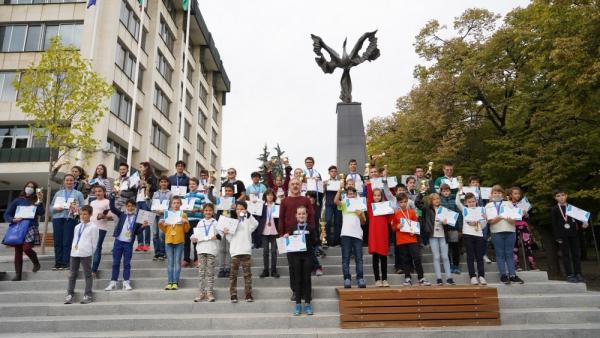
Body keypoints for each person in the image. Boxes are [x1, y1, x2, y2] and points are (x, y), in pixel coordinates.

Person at [278, 178, 315, 302]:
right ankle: (295, 291)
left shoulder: (305, 200)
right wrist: (282, 234)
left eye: (297, 184)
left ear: (301, 186)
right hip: (290, 239)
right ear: (289, 186)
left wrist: (311, 231)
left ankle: (306, 291)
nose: (295, 186)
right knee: (293, 267)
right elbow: (281, 219)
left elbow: (311, 217)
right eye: (293, 184)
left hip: (305, 237)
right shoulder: (284, 201)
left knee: (306, 268)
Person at [104, 196, 150, 291]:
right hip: (118, 242)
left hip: (128, 243)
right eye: (128, 206)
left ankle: (126, 282)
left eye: (132, 206)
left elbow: (137, 232)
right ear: (126, 207)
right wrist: (112, 198)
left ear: (135, 207)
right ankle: (113, 282)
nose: (130, 208)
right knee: (116, 262)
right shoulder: (122, 215)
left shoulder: (138, 218)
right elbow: (112, 208)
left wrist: (144, 226)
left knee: (127, 263)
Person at [3, 181, 45, 281]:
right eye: (28, 186)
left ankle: (36, 262)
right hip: (18, 227)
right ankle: (18, 275)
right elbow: (7, 214)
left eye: (32, 187)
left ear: (35, 190)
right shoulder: (17, 200)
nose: (29, 188)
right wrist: (13, 219)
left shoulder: (36, 200)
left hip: (31, 227)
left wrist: (39, 201)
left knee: (26, 248)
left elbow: (41, 213)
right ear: (25, 187)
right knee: (18, 251)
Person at [486, 185, 524, 285]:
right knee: (500, 254)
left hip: (510, 230)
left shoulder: (509, 203)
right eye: (495, 192)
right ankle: (503, 275)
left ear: (503, 194)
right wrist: (499, 217)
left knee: (509, 254)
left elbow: (515, 217)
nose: (497, 194)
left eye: (499, 192)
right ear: (491, 194)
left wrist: (512, 219)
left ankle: (513, 275)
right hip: (496, 232)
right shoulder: (488, 206)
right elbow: (490, 221)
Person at [416, 190, 455, 285]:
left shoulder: (444, 209)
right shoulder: (427, 209)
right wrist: (422, 193)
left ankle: (449, 278)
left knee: (445, 257)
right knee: (436, 257)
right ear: (431, 201)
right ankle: (439, 278)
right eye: (434, 199)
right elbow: (417, 203)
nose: (437, 200)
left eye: (438, 198)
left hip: (443, 236)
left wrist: (446, 223)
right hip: (433, 236)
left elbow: (451, 223)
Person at [282, 205, 315, 316]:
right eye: (299, 214)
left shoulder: (311, 228)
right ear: (296, 216)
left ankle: (307, 304)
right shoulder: (292, 228)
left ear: (307, 215)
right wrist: (286, 237)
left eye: (303, 213)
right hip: (296, 257)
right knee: (298, 279)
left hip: (307, 257)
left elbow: (314, 243)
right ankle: (297, 305)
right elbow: (288, 242)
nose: (301, 215)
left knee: (307, 279)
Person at [392, 192, 431, 286]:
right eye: (401, 202)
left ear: (408, 202)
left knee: (417, 258)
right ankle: (407, 278)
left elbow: (417, 225)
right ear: (398, 203)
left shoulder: (412, 212)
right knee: (405, 259)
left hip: (412, 239)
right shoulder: (396, 214)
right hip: (401, 240)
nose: (403, 204)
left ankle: (421, 278)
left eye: (405, 202)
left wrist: (415, 230)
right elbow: (393, 227)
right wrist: (397, 226)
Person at [225, 201, 259, 303]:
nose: (239, 211)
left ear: (245, 210)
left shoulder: (248, 221)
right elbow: (230, 239)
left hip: (246, 251)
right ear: (235, 211)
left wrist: (247, 214)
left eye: (242, 209)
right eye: (238, 209)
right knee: (233, 275)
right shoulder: (232, 222)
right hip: (235, 251)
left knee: (247, 274)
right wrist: (226, 233)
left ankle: (248, 294)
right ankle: (233, 294)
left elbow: (256, 224)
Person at [64, 205, 98, 304]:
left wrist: (90, 253)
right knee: (72, 274)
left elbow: (94, 243)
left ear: (90, 215)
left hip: (86, 253)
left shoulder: (93, 227)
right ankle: (70, 294)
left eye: (85, 214)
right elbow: (75, 239)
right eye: (81, 214)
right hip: (75, 253)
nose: (83, 216)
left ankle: (88, 295)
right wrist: (72, 250)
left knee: (87, 274)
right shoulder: (77, 226)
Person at [50, 174, 85, 270]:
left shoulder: (78, 194)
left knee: (67, 241)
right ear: (64, 182)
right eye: (67, 180)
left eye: (71, 180)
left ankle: (66, 263)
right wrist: (56, 209)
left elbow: (83, 208)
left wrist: (76, 208)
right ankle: (58, 263)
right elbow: (51, 207)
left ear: (74, 182)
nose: (69, 182)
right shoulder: (58, 193)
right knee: (57, 241)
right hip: (57, 219)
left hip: (70, 219)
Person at [552, 189, 587, 283]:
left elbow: (580, 220)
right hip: (562, 236)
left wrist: (584, 224)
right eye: (558, 196)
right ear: (555, 198)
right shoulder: (555, 209)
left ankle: (578, 274)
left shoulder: (572, 208)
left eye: (562, 195)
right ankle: (569, 274)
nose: (561, 197)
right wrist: (557, 237)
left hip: (574, 234)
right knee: (566, 255)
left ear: (566, 196)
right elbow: (554, 224)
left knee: (576, 254)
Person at [334, 187, 367, 288]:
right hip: (346, 234)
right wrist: (339, 191)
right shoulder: (344, 204)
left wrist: (360, 215)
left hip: (358, 235)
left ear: (356, 195)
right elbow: (335, 201)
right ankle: (347, 278)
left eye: (353, 194)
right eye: (349, 194)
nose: (351, 195)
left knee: (359, 258)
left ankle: (360, 278)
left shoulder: (360, 206)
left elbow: (363, 222)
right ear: (346, 195)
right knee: (345, 258)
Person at [158, 196, 190, 290]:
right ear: (171, 204)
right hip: (169, 241)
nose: (176, 205)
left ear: (181, 204)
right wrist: (161, 224)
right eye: (174, 203)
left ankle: (175, 282)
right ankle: (169, 282)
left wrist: (186, 222)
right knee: (170, 262)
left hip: (179, 241)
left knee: (177, 262)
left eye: (177, 203)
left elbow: (186, 230)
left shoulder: (183, 214)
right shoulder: (167, 214)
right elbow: (165, 230)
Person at [455, 192, 487, 285]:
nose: (472, 203)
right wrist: (459, 192)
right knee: (470, 256)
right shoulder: (465, 209)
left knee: (479, 256)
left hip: (479, 234)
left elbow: (483, 226)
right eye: (469, 202)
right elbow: (457, 202)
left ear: (476, 201)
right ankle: (472, 276)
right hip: (468, 234)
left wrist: (484, 220)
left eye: (473, 201)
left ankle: (481, 276)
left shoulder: (481, 209)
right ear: (466, 203)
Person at [191, 204, 220, 302]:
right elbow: (195, 234)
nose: (208, 212)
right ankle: (201, 292)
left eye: (210, 210)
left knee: (210, 272)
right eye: (206, 210)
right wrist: (193, 238)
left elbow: (221, 235)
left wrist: (217, 236)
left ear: (213, 212)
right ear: (203, 212)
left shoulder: (216, 223)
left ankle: (210, 293)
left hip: (211, 249)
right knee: (201, 272)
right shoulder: (200, 222)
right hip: (201, 249)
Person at [207, 183, 237, 278]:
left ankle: (228, 268)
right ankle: (221, 268)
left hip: (231, 228)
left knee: (229, 249)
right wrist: (211, 188)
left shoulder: (235, 202)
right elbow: (210, 197)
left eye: (230, 191)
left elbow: (242, 212)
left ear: (233, 192)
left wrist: (235, 208)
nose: (228, 192)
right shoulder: (219, 200)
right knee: (221, 249)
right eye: (226, 190)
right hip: (221, 227)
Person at [367, 187, 393, 287]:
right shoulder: (370, 207)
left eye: (379, 195)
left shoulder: (386, 207)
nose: (376, 197)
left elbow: (390, 218)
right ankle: (377, 279)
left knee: (383, 258)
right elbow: (368, 197)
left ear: (381, 196)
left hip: (383, 235)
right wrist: (368, 182)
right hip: (374, 236)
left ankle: (385, 279)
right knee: (375, 258)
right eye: (375, 195)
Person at [509, 187, 538, 271]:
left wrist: (526, 214)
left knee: (528, 245)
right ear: (511, 195)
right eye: (515, 193)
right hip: (513, 226)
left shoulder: (523, 203)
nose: (517, 195)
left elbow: (528, 217)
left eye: (518, 193)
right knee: (515, 246)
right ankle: (516, 265)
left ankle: (532, 265)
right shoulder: (508, 204)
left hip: (523, 226)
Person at [256, 189, 280, 278]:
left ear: (274, 196)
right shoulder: (261, 206)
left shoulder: (277, 206)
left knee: (274, 251)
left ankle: (273, 270)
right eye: (268, 195)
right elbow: (258, 218)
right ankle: (265, 270)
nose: (270, 196)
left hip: (274, 231)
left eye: (271, 195)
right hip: (264, 231)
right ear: (265, 197)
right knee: (265, 251)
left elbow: (280, 219)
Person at [90, 186, 114, 278]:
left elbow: (111, 216)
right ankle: (88, 269)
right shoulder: (92, 202)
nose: (97, 193)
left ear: (104, 192)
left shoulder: (107, 202)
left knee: (97, 248)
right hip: (90, 227)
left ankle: (94, 270)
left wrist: (104, 216)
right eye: (96, 191)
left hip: (101, 228)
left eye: (99, 191)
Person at [439, 183, 463, 274]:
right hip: (444, 228)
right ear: (441, 192)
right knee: (446, 249)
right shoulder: (439, 201)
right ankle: (448, 265)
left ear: (450, 191)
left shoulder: (455, 200)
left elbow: (459, 215)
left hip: (454, 228)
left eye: (447, 190)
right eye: (444, 191)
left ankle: (456, 266)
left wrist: (460, 228)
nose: (446, 192)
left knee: (455, 248)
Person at [183, 177, 206, 267]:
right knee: (186, 241)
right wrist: (184, 209)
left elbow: (204, 208)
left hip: (197, 221)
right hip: (187, 221)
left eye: (193, 184)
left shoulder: (201, 195)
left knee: (196, 241)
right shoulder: (186, 196)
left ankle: (197, 259)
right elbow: (183, 209)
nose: (191, 185)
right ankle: (186, 259)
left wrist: (195, 210)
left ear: (197, 185)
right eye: (190, 184)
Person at [135, 162, 157, 252]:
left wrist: (145, 184)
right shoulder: (137, 177)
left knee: (146, 222)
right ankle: (140, 244)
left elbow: (155, 188)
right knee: (139, 223)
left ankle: (147, 244)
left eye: (141, 167)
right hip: (138, 200)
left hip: (147, 200)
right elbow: (135, 189)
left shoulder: (152, 177)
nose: (140, 169)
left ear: (146, 167)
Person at [150, 176, 172, 261]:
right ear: (159, 183)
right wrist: (155, 211)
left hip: (164, 216)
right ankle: (157, 253)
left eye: (165, 182)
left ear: (168, 183)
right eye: (162, 182)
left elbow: (171, 206)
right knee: (155, 234)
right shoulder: (155, 193)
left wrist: (164, 211)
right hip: (155, 215)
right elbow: (152, 204)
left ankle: (163, 253)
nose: (163, 183)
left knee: (161, 234)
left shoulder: (170, 194)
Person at [322, 165, 343, 247]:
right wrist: (324, 187)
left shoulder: (340, 182)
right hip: (329, 204)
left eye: (335, 171)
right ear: (329, 173)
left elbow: (343, 193)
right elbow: (322, 194)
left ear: (336, 173)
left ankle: (336, 242)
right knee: (328, 221)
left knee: (338, 222)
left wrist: (342, 187)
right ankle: (326, 241)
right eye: (332, 171)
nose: (333, 173)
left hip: (338, 204)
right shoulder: (326, 182)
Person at [306, 191, 324, 276]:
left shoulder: (317, 207)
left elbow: (319, 222)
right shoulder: (304, 208)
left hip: (315, 232)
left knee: (311, 251)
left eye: (311, 198)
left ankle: (317, 267)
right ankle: (313, 267)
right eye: (308, 197)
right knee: (309, 251)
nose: (309, 199)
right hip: (306, 231)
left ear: (314, 199)